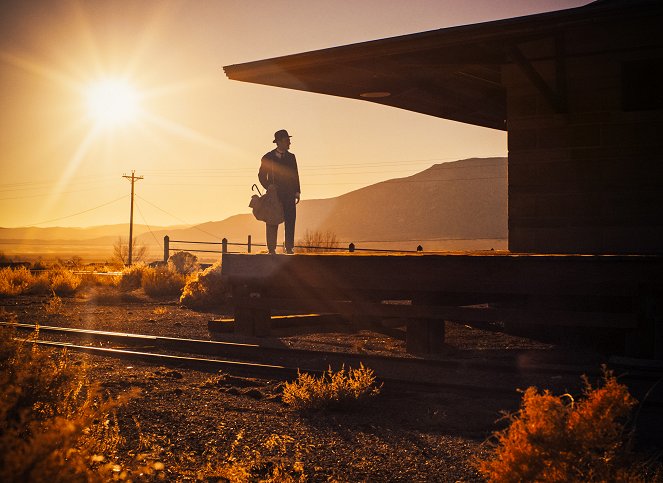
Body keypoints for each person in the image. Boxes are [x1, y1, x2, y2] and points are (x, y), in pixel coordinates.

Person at [258, 129, 301, 254]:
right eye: (287, 140)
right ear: (279, 142)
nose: (289, 143)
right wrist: (268, 187)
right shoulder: (267, 158)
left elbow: (295, 175)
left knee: (290, 218)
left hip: (289, 193)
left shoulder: (292, 157)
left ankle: (289, 247)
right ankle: (271, 249)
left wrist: (297, 191)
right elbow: (261, 176)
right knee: (272, 219)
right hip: (274, 194)